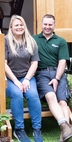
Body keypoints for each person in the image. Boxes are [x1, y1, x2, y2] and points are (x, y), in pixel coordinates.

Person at [0, 15, 43, 142]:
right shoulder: (4, 41)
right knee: (17, 94)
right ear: (11, 27)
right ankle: (19, 130)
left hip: (26, 77)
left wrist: (26, 79)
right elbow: (2, 65)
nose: (19, 27)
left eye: (21, 25)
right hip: (7, 77)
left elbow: (34, 64)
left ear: (24, 27)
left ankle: (37, 129)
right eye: (16, 25)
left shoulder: (31, 41)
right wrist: (16, 82)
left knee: (33, 95)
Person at [33, 14, 72, 142]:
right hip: (42, 74)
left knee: (62, 102)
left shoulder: (60, 41)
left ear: (54, 25)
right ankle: (65, 127)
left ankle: (64, 133)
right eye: (45, 24)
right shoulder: (34, 40)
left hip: (58, 73)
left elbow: (62, 62)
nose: (47, 27)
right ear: (41, 24)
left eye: (50, 24)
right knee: (51, 96)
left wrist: (57, 78)